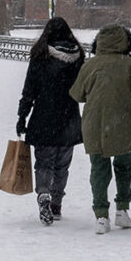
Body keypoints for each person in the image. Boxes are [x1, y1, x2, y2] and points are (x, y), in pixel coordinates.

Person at [69, 23, 131, 235]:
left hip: (94, 123)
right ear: (126, 42)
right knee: (124, 166)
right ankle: (122, 209)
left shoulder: (90, 65)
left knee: (99, 170)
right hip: (124, 122)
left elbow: (77, 94)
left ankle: (101, 215)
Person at [16, 18, 85, 226]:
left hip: (43, 116)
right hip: (69, 117)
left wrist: (22, 116)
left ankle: (43, 193)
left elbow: (30, 89)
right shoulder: (78, 57)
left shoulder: (40, 55)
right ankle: (56, 203)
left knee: (44, 162)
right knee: (62, 165)